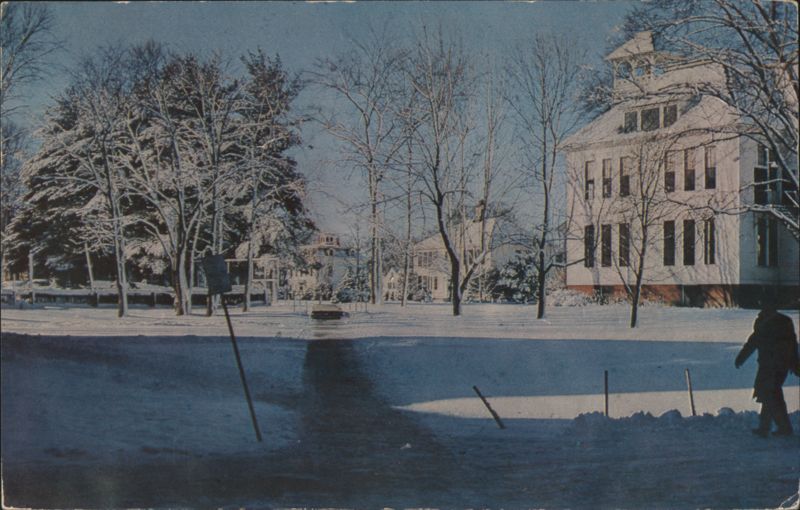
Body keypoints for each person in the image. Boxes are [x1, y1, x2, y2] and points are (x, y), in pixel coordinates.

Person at [735, 303, 800, 437]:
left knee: (770, 394)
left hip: (769, 366)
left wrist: (741, 357)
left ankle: (782, 428)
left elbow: (753, 341)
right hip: (779, 365)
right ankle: (767, 427)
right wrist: (794, 364)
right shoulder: (784, 321)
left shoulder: (765, 322)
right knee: (769, 394)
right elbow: (792, 344)